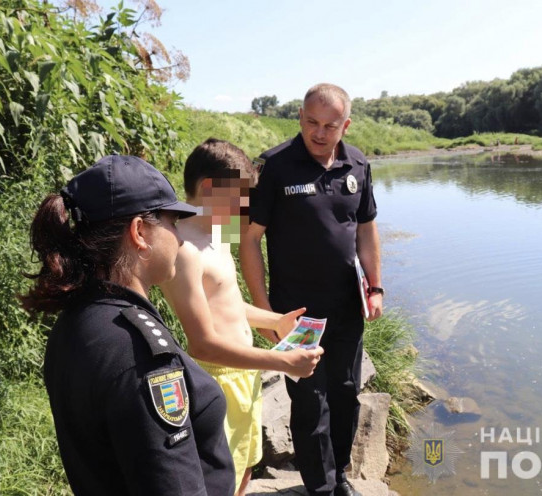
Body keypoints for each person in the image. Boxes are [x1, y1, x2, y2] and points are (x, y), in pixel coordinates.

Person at [20, 155, 236, 496]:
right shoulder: (138, 354)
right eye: (173, 223)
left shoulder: (77, 321)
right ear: (139, 232)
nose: (180, 239)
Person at [240, 83, 383, 496]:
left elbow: (368, 229)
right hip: (296, 315)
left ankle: (339, 477)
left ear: (346, 125)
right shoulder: (273, 166)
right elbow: (249, 240)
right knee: (308, 404)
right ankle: (319, 488)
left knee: (345, 395)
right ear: (299, 118)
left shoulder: (357, 164)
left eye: (330, 125)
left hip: (348, 308)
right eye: (311, 123)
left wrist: (376, 288)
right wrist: (265, 313)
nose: (319, 133)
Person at [160, 138, 324, 496]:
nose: (245, 206)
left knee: (247, 463)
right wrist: (283, 363)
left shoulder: (218, 231)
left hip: (246, 375)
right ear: (207, 188)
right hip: (216, 380)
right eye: (239, 196)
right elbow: (202, 344)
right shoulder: (182, 249)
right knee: (219, 477)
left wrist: (275, 321)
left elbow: (228, 303)